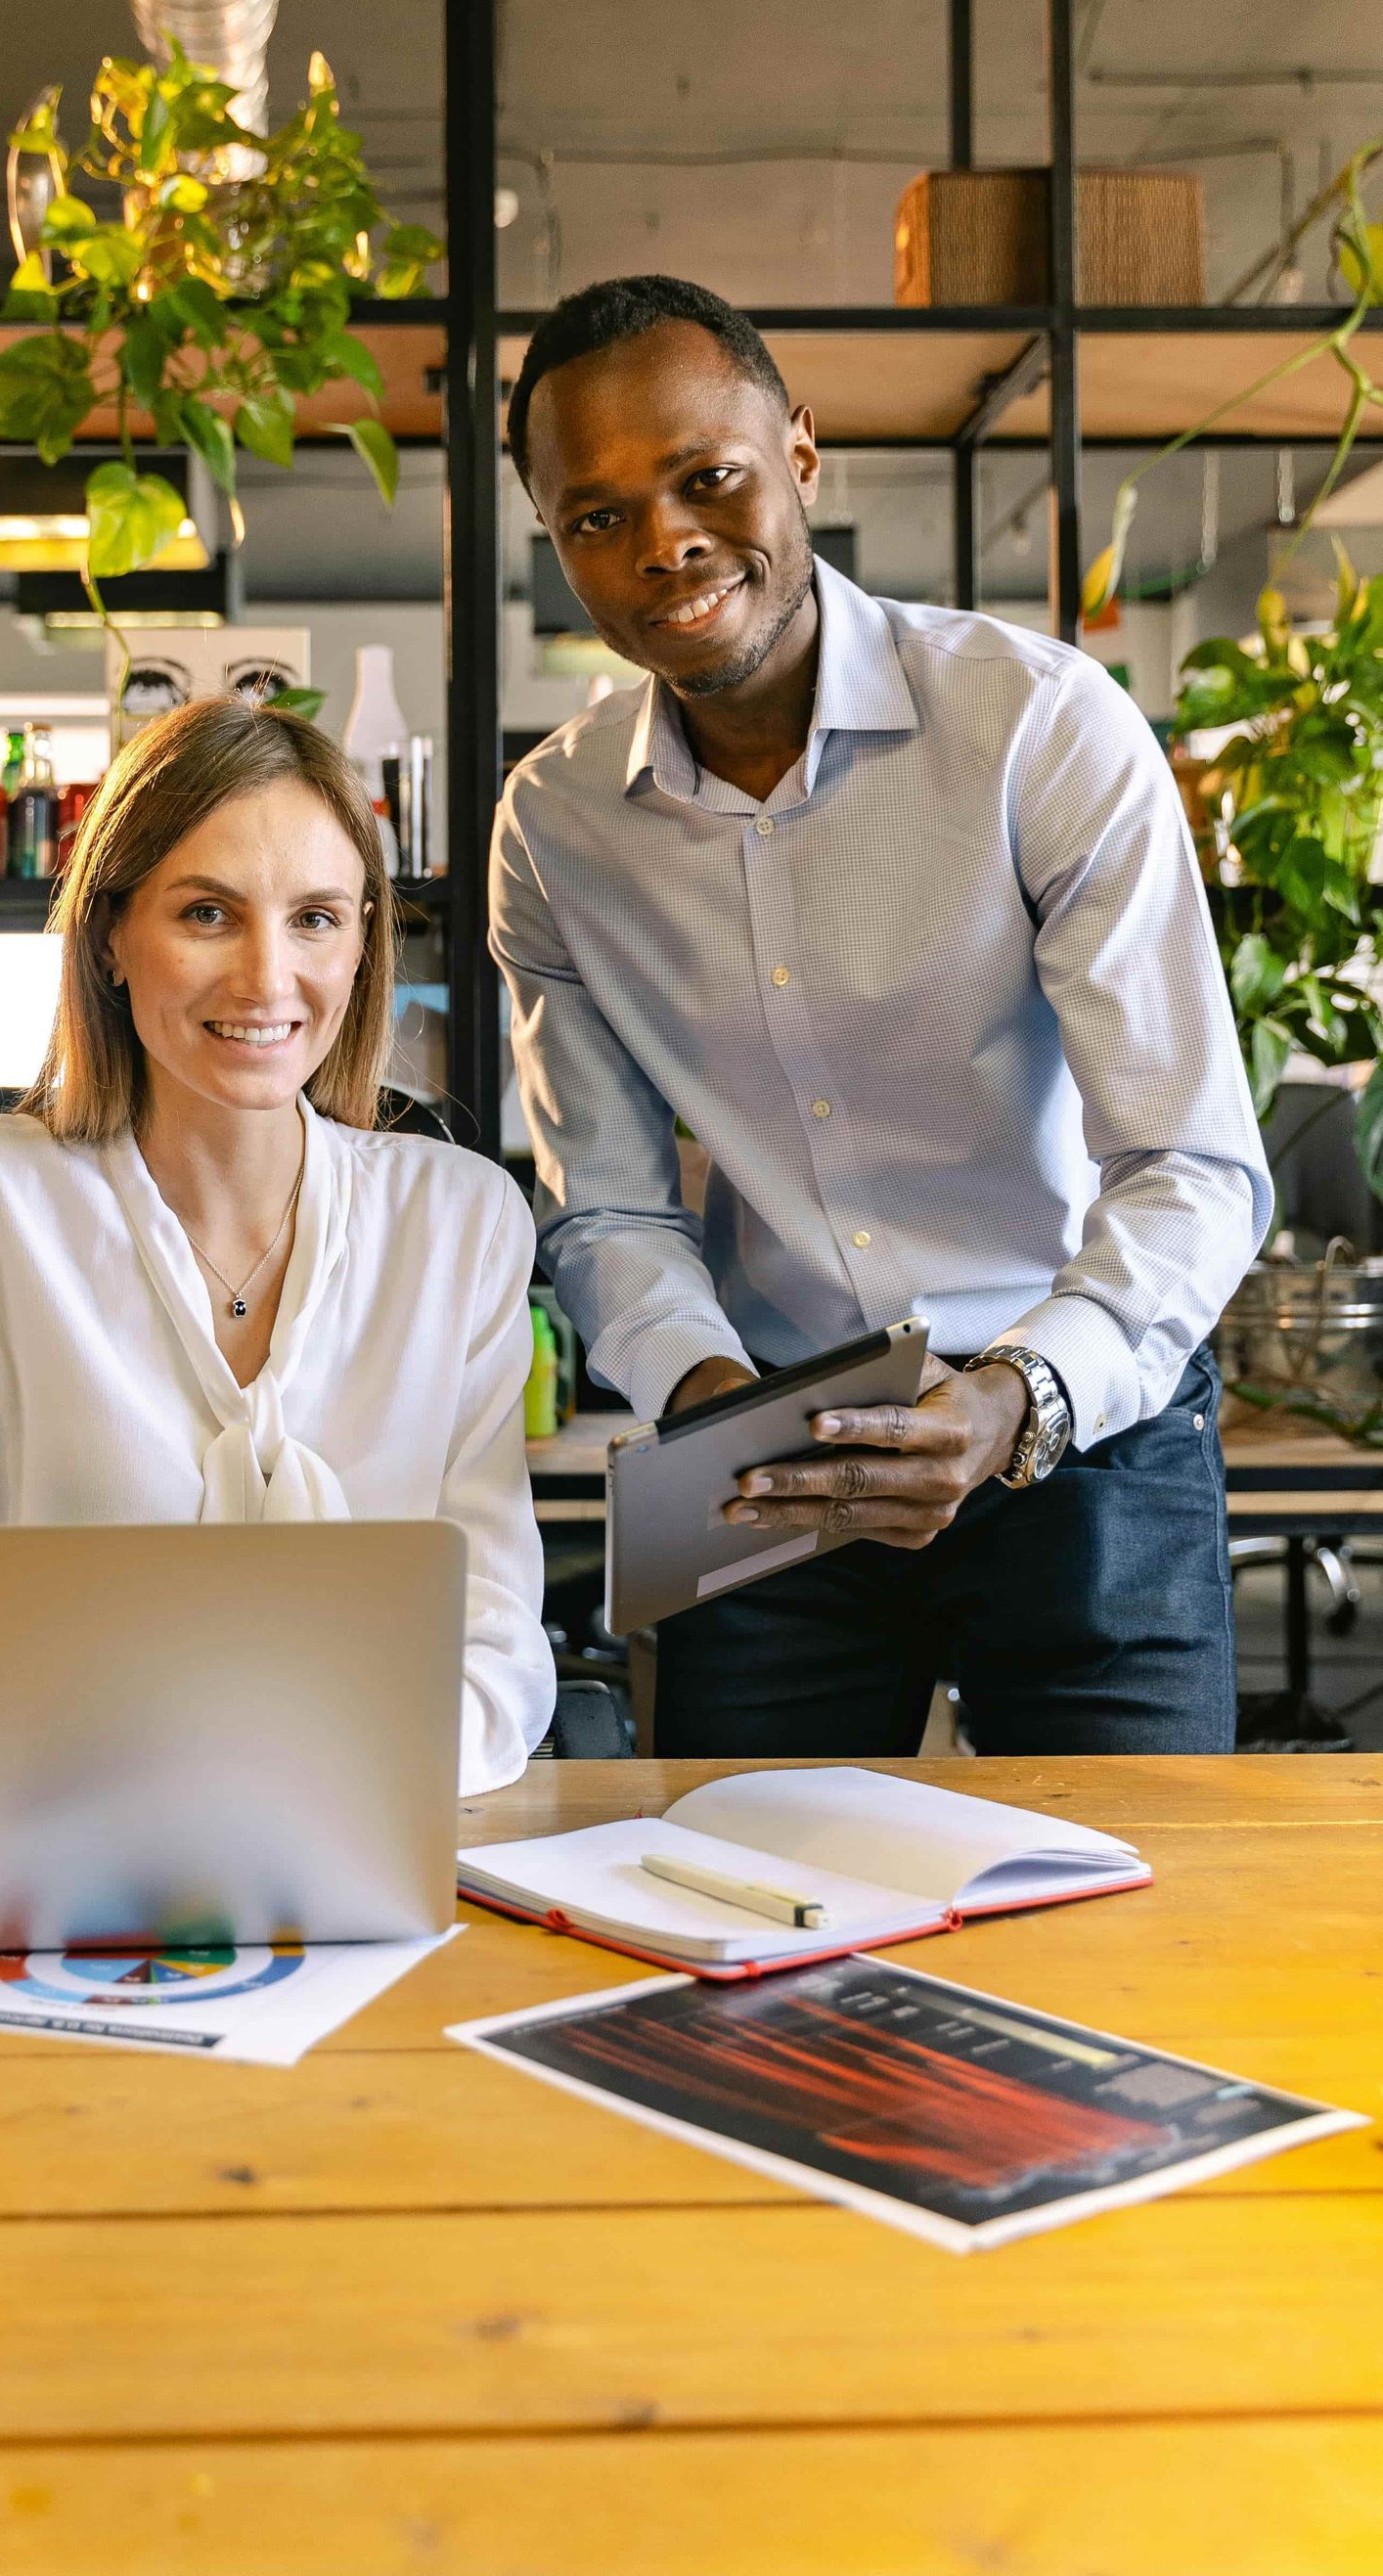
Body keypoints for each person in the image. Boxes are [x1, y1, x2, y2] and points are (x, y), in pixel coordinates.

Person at [491, 273, 1271, 1759]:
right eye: (597, 517)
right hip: (768, 1454)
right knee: (742, 1920)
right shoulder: (555, 828)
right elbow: (604, 1212)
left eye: (706, 477)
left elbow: (1191, 1165)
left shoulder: (1037, 726)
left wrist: (1011, 1400)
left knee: (1138, 1932)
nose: (663, 543)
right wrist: (714, 1399)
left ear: (800, 450)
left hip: (1079, 1422)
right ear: (556, 541)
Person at [0, 699, 556, 1795]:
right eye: (209, 914)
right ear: (113, 938)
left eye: (316, 917)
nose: (269, 980)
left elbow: (496, 1643)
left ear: (366, 941)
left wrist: (323, 1773)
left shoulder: (459, 1220)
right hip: (40, 1833)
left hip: (373, 1825)